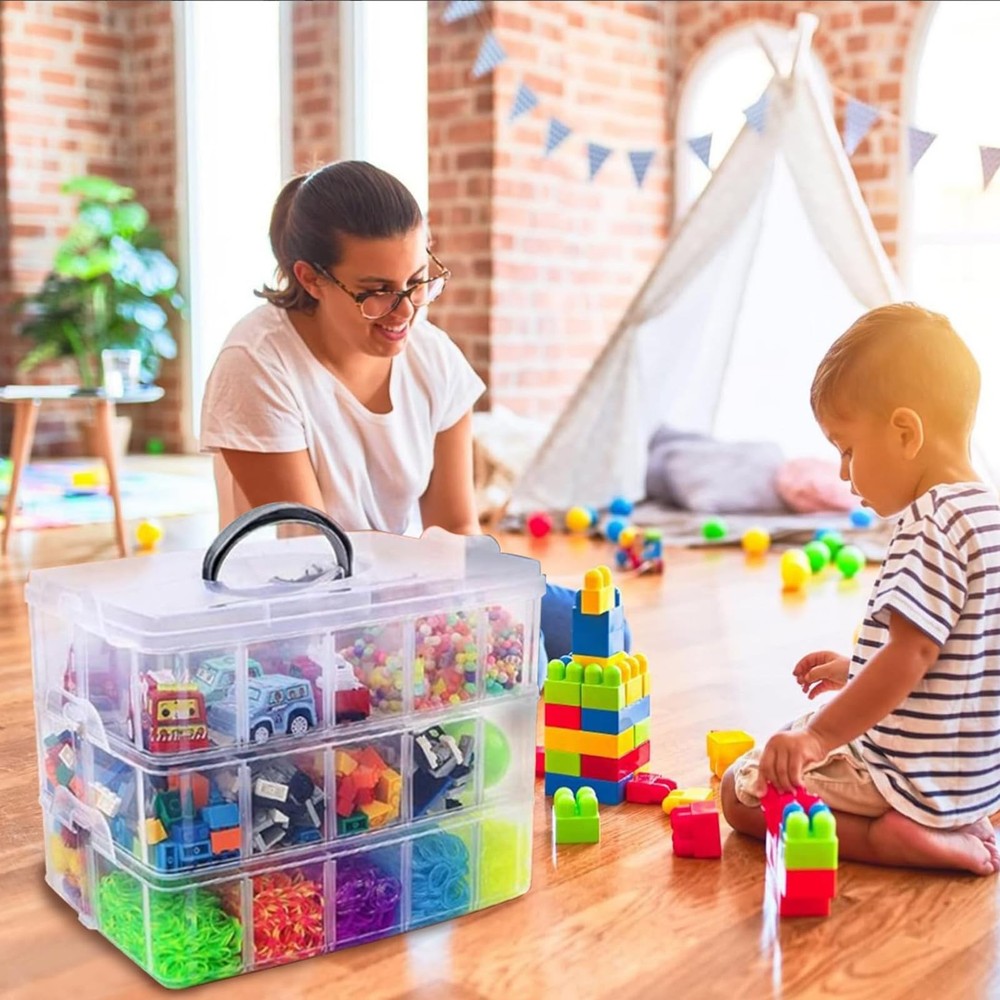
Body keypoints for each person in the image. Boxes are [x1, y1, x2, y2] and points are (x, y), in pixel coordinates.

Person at [199, 160, 624, 669]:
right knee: (505, 666)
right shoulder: (256, 364)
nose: (405, 312)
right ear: (311, 279)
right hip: (298, 614)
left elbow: (455, 528)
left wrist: (473, 609)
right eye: (377, 291)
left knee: (596, 630)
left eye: (419, 281)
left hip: (405, 587)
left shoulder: (434, 359)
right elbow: (316, 558)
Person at [720, 303, 1000, 876]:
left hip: (905, 778)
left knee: (741, 793)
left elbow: (913, 652)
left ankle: (892, 838)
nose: (844, 474)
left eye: (846, 449)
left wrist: (819, 738)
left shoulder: (931, 522)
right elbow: (958, 657)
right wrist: (857, 668)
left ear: (905, 432)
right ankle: (950, 820)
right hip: (970, 780)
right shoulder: (987, 514)